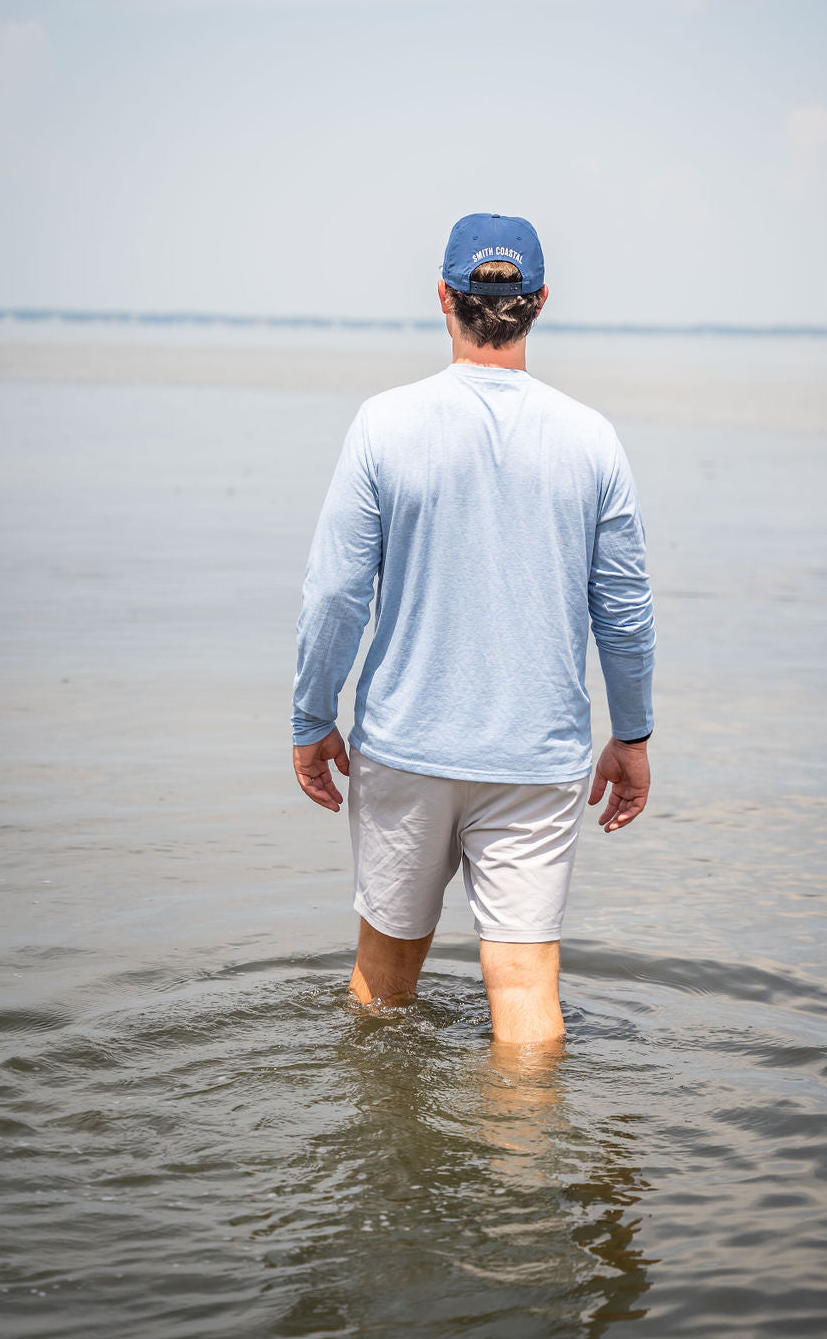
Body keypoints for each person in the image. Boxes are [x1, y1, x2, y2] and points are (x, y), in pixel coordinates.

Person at [292, 212, 655, 1045]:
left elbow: (336, 597)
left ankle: (384, 1169)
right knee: (527, 989)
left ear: (445, 299)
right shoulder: (592, 439)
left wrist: (313, 720)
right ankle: (527, 1171)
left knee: (382, 983)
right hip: (536, 757)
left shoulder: (384, 424)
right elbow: (627, 616)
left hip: (406, 748)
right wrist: (631, 735)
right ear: (540, 304)